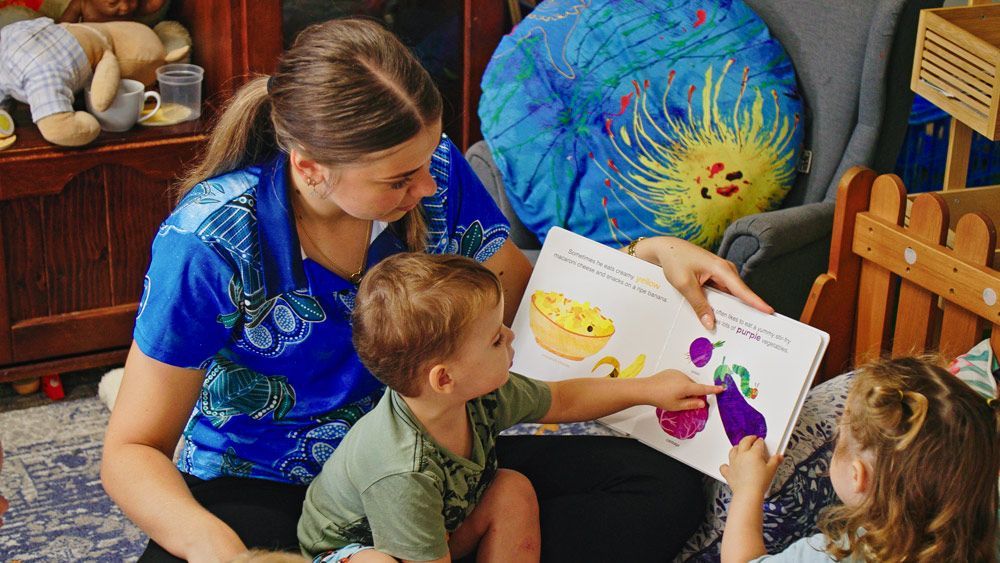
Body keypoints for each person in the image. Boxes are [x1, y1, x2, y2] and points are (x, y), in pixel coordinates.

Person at [100, 17, 772, 563]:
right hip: (267, 483)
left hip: (434, 444)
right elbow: (132, 452)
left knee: (662, 487)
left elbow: (525, 297)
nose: (427, 187)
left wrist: (645, 256)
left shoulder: (436, 173)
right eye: (399, 179)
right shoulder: (210, 242)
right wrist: (221, 551)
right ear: (310, 168)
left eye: (429, 159)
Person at [298, 253, 723, 562]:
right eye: (495, 339)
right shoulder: (401, 470)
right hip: (353, 547)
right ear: (444, 379)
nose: (511, 336)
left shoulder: (480, 392)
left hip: (439, 526)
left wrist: (648, 389)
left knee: (511, 488)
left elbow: (564, 399)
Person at [719, 356, 1000, 562]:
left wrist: (747, 490)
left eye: (838, 436)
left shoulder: (837, 555)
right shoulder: (987, 533)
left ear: (858, 476)